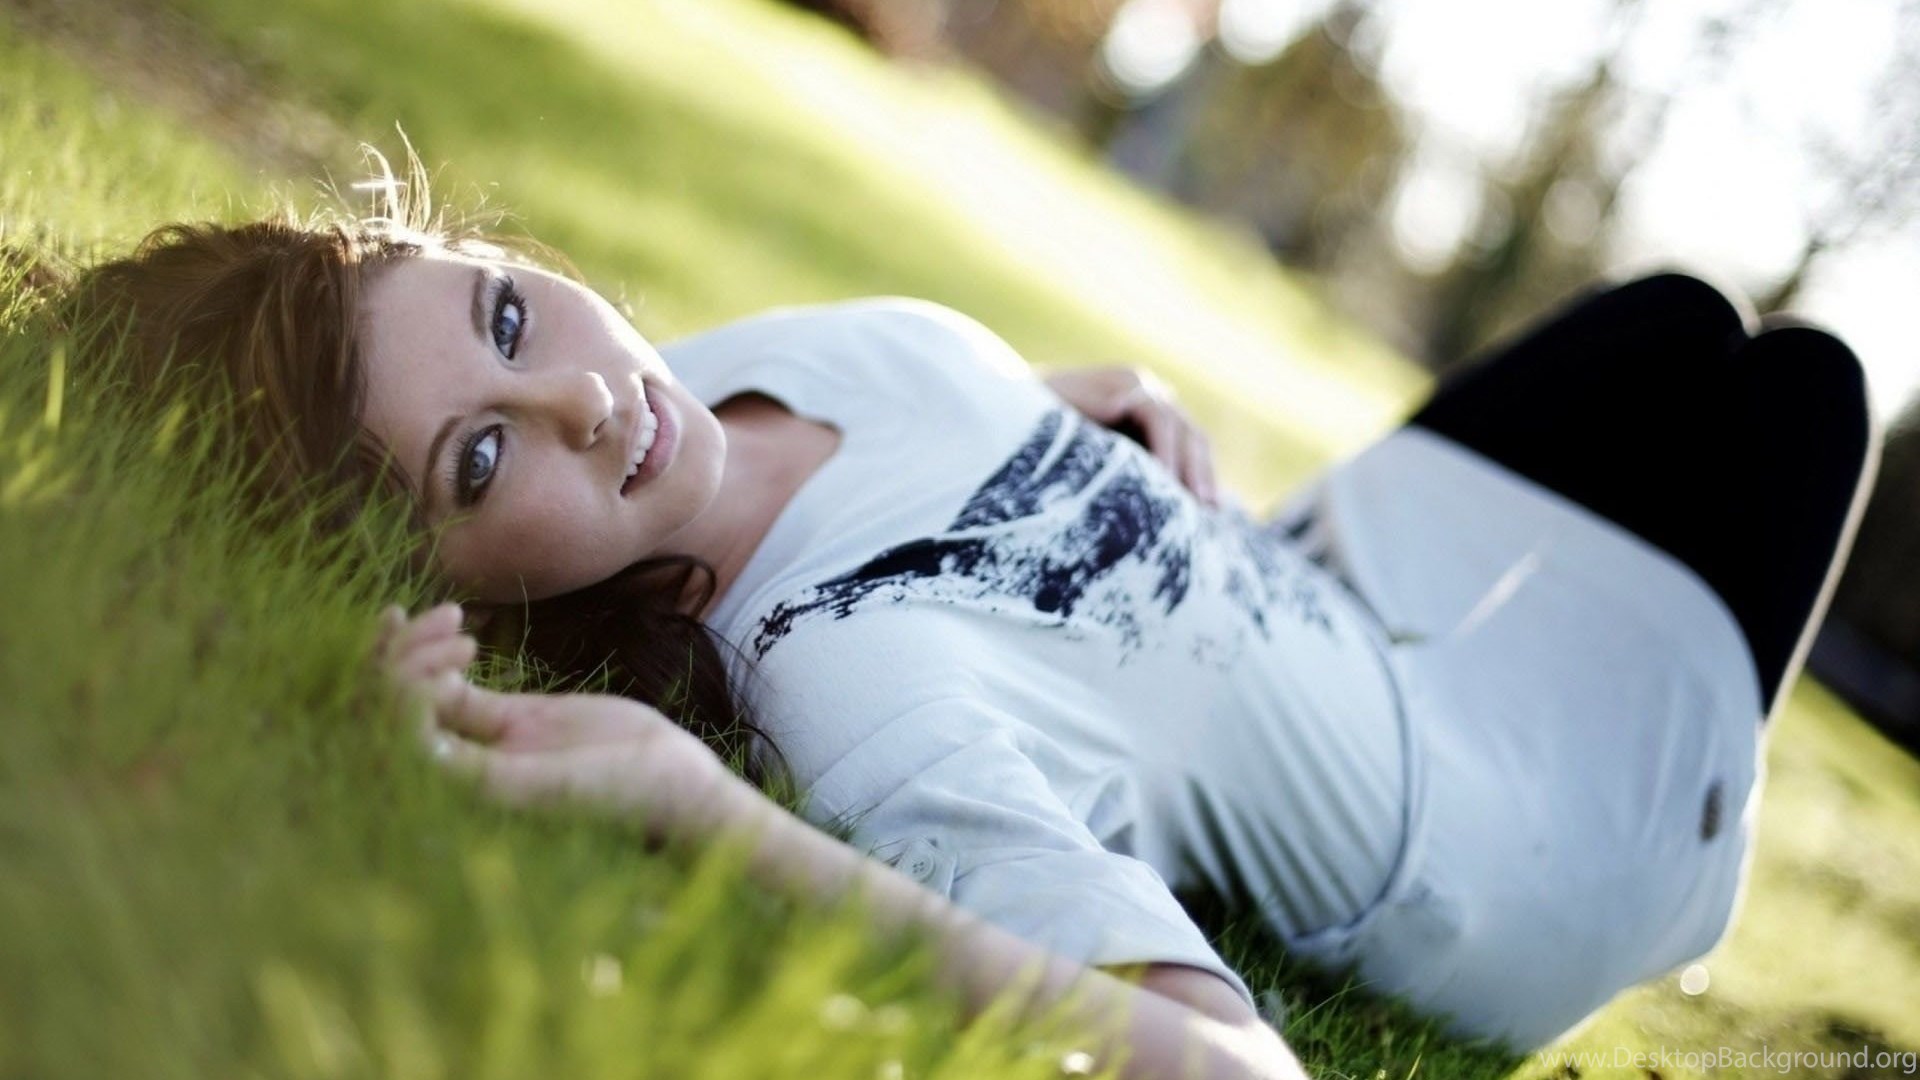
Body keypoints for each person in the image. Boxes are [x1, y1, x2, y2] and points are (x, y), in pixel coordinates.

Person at [38, 149, 1877, 1077]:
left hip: (1312, 586)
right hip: (1487, 845)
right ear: (441, 570)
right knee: (1805, 395)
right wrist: (705, 815)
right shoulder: (861, 696)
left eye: (508, 314)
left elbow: (916, 416)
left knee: (1684, 331)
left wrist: (1067, 399)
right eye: (479, 461)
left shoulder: (704, 384)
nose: (589, 400)